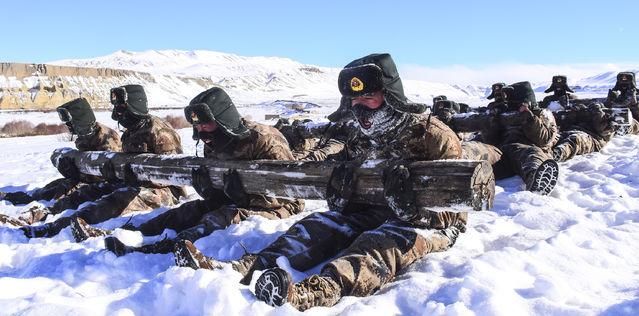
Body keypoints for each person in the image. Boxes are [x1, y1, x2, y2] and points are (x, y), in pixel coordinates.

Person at [172, 53, 466, 311]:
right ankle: (244, 268)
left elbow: (456, 209)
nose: (360, 107)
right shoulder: (356, 131)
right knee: (315, 226)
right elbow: (350, 176)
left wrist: (411, 209)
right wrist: (341, 197)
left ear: (389, 94)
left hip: (427, 222)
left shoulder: (434, 137)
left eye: (368, 97)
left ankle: (310, 292)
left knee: (377, 245)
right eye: (354, 100)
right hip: (369, 210)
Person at [75, 87, 305, 255]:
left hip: (278, 206)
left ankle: (167, 247)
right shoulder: (212, 141)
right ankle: (132, 232)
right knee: (188, 210)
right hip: (235, 199)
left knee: (220, 217)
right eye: (197, 125)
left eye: (205, 123)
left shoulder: (264, 140)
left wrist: (244, 197)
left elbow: (290, 193)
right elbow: (216, 187)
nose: (200, 130)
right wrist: (211, 191)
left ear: (222, 119)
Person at [19, 84, 184, 239]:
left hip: (165, 191)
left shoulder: (160, 132)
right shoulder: (132, 130)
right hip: (132, 182)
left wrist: (140, 176)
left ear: (135, 106)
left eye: (121, 108)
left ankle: (67, 227)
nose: (118, 113)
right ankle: (51, 218)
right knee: (89, 191)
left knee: (115, 200)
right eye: (117, 108)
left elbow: (174, 172)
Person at [0, 98, 121, 225]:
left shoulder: (107, 138)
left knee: (67, 193)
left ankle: (38, 216)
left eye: (71, 122)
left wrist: (78, 174)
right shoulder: (85, 135)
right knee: (55, 186)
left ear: (81, 118)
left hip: (106, 185)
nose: (69, 126)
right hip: (87, 178)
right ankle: (22, 198)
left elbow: (108, 173)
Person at [482, 81, 560, 195]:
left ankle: (537, 180)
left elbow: (545, 140)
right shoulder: (504, 113)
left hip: (527, 150)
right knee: (478, 150)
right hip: (502, 153)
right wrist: (492, 123)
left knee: (533, 155)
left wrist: (529, 119)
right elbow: (491, 141)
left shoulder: (543, 114)